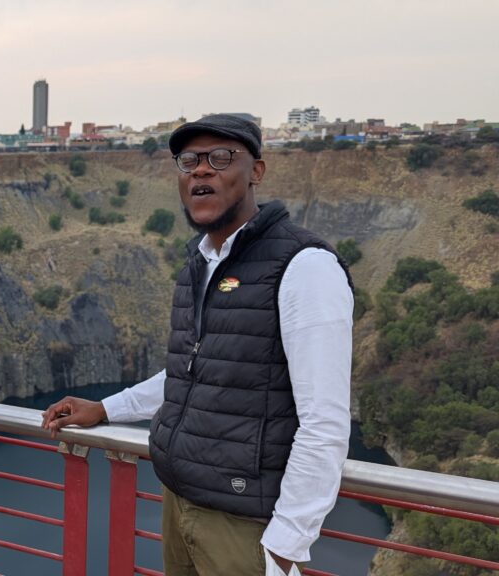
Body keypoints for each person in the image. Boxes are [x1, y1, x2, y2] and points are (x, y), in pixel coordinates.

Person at [42, 115, 353, 576]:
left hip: (244, 522)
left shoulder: (304, 266)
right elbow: (194, 372)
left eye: (221, 157)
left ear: (257, 171)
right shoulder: (200, 263)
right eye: (189, 160)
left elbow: (324, 422)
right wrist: (106, 409)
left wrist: (284, 548)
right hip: (179, 500)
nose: (201, 170)